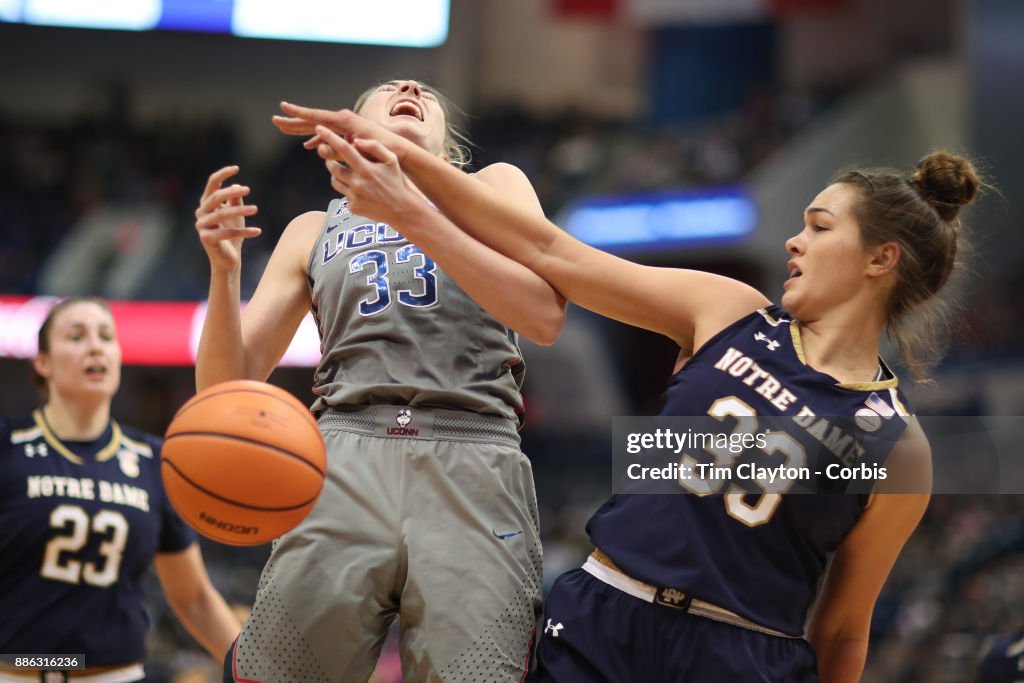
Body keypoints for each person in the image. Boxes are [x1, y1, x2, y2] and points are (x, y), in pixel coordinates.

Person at [274, 104, 980, 682]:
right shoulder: (728, 308)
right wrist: (406, 177)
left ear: (880, 260)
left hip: (741, 653)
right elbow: (553, 253)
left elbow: (843, 628)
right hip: (606, 614)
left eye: (819, 228)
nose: (794, 242)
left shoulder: (899, 446)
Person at [194, 80, 566, 683]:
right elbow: (222, 393)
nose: (411, 87)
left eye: (426, 92)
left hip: (472, 451)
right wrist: (223, 271)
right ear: (350, 130)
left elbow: (544, 316)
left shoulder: (494, 186)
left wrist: (409, 208)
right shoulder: (312, 227)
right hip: (343, 451)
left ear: (449, 142)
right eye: (387, 89)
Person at [0, 297, 240, 682]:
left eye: (106, 337)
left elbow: (194, 599)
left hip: (117, 674)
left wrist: (255, 673)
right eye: (76, 336)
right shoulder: (8, 445)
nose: (95, 346)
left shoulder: (154, 459)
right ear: (42, 363)